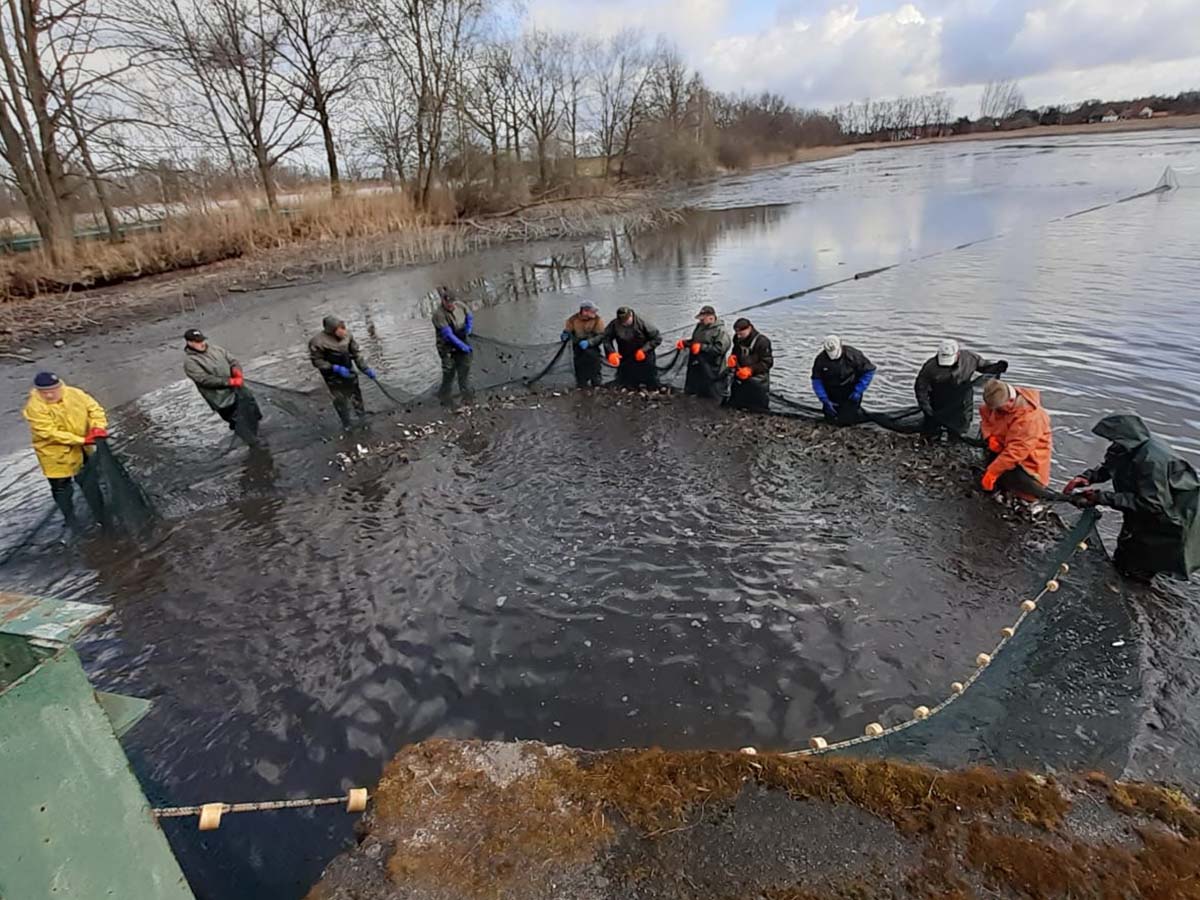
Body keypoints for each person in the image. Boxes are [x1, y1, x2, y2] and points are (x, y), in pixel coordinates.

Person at [1066, 415, 1200, 579]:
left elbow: (1152, 504)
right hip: (1148, 511)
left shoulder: (1151, 462)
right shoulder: (1129, 446)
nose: (1111, 443)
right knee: (1125, 553)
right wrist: (1088, 477)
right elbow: (1114, 464)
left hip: (1170, 519)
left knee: (1137, 564)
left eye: (1114, 439)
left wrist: (1101, 497)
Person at [22, 371, 109, 533]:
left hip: (82, 449)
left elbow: (94, 409)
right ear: (38, 391)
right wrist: (81, 440)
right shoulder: (34, 407)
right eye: (44, 392)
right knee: (61, 488)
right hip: (54, 455)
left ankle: (100, 514)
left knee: (89, 482)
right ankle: (70, 518)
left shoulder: (76, 394)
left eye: (53, 390)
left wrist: (98, 426)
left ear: (60, 386)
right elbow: (48, 433)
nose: (49, 395)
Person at [183, 328, 261, 445]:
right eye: (197, 342)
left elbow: (233, 361)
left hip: (240, 391)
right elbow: (204, 380)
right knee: (238, 422)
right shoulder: (190, 362)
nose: (202, 343)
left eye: (202, 340)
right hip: (222, 400)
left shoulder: (216, 349)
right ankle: (253, 444)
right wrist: (230, 382)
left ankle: (257, 436)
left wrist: (237, 371)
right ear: (189, 343)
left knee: (253, 414)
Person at [914, 339, 1009, 436]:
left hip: (962, 404)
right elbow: (920, 388)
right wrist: (926, 408)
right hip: (939, 402)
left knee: (959, 431)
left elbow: (984, 367)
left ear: (957, 354)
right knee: (932, 430)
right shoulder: (930, 367)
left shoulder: (970, 358)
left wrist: (996, 367)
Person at [978, 380, 1053, 501]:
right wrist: (989, 437)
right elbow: (985, 416)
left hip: (1029, 462)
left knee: (1027, 495)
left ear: (1010, 401)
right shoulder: (996, 401)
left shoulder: (1031, 419)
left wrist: (992, 472)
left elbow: (1016, 451)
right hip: (1004, 450)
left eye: (999, 408)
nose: (995, 411)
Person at [308, 315, 376, 429]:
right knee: (340, 399)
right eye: (340, 329)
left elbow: (356, 354)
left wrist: (365, 368)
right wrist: (334, 368)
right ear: (332, 330)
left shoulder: (348, 336)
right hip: (332, 376)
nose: (343, 331)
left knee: (356, 394)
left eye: (344, 328)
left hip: (348, 370)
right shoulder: (317, 342)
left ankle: (361, 416)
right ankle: (346, 423)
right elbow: (317, 361)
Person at [811, 335, 876, 424]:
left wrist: (858, 390)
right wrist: (824, 399)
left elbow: (869, 371)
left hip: (850, 392)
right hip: (831, 394)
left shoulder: (853, 355)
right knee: (831, 419)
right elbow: (816, 380)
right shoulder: (820, 360)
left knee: (848, 420)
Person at [676, 305, 731, 400]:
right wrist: (685, 343)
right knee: (697, 388)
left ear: (711, 317)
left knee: (712, 393)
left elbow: (720, 349)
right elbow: (695, 340)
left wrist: (702, 347)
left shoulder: (721, 331)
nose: (700, 321)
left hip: (713, 366)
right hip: (699, 362)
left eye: (702, 319)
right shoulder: (700, 326)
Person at [432, 286, 474, 405]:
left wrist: (469, 327)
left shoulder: (460, 305)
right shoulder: (439, 314)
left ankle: (465, 394)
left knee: (465, 367)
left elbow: (469, 315)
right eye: (448, 303)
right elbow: (448, 335)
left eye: (452, 302)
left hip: (461, 338)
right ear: (443, 301)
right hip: (446, 346)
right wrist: (462, 346)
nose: (451, 305)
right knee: (449, 371)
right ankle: (444, 395)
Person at [602, 306, 661, 389]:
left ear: (631, 316)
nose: (624, 323)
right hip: (626, 355)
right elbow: (606, 338)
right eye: (622, 321)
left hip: (644, 355)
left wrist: (644, 350)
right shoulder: (615, 324)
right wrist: (611, 352)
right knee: (628, 381)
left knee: (650, 378)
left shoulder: (643, 322)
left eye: (626, 320)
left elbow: (657, 338)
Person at [726, 318, 773, 411]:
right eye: (737, 333)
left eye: (741, 333)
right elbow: (735, 351)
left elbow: (767, 363)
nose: (738, 336)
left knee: (758, 408)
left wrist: (751, 370)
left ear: (749, 328)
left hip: (758, 380)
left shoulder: (762, 341)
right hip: (740, 375)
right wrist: (732, 357)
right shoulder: (737, 338)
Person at [563, 300, 606, 388]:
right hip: (578, 348)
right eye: (592, 311)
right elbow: (567, 331)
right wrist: (565, 334)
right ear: (584, 311)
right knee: (580, 369)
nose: (595, 313)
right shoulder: (572, 320)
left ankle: (596, 383)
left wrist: (589, 342)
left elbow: (601, 335)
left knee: (595, 368)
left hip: (592, 348)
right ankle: (582, 384)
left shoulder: (597, 320)